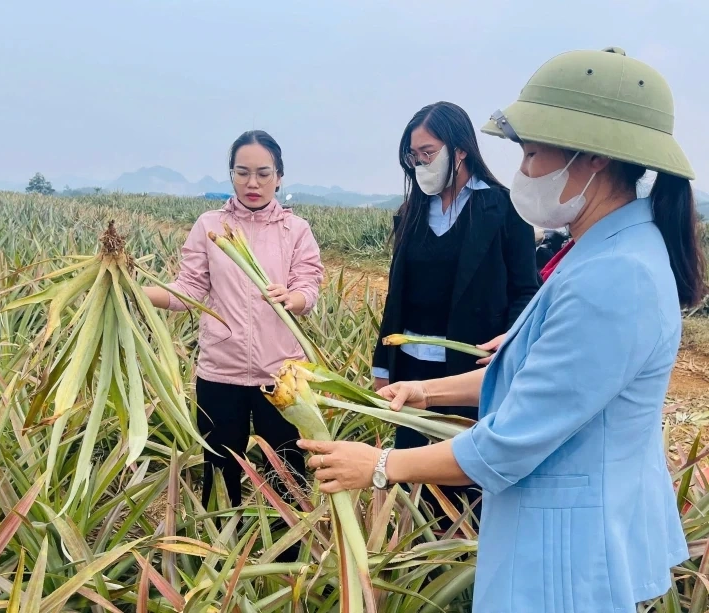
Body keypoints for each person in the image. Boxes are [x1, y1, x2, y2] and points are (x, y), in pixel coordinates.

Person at [298, 47, 705, 611]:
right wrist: (424, 390)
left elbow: (507, 445)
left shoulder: (616, 278)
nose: (523, 172)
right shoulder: (609, 250)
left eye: (533, 154)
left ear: (591, 159)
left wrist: (381, 467)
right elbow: (540, 375)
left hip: (565, 551)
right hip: (573, 527)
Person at [371, 101, 539, 527]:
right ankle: (415, 563)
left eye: (427, 152)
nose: (419, 163)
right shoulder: (412, 212)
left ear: (459, 150)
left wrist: (513, 337)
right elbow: (397, 296)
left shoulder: (504, 209)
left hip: (470, 371)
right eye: (413, 156)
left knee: (462, 480)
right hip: (410, 371)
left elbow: (525, 290)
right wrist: (382, 366)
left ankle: (461, 565)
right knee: (409, 474)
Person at [143, 130, 324, 512]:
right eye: (242, 172)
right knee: (219, 467)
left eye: (263, 172)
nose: (252, 182)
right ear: (231, 174)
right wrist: (136, 291)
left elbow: (309, 286)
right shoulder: (210, 225)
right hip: (220, 373)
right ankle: (219, 549)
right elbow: (188, 290)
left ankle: (290, 547)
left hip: (281, 375)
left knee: (287, 469)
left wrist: (292, 298)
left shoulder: (296, 230)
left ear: (279, 175)